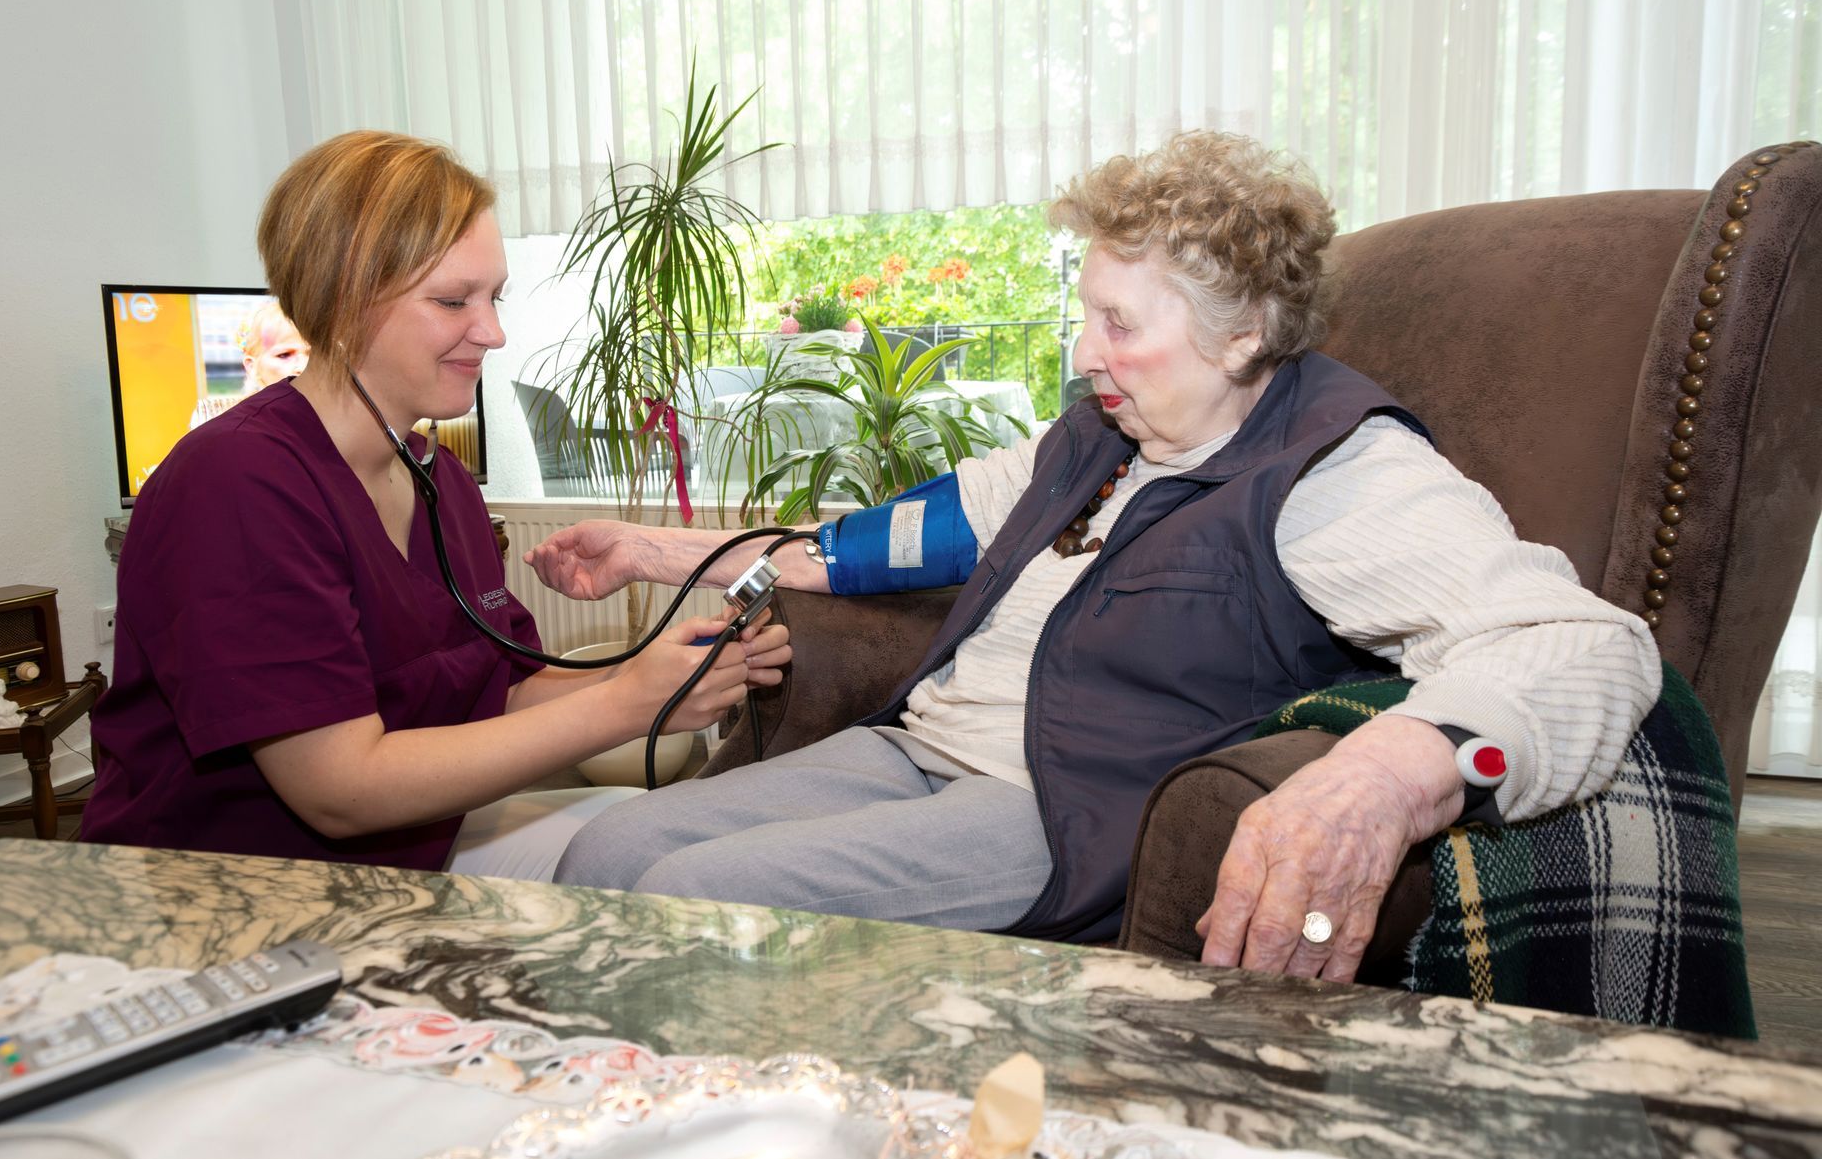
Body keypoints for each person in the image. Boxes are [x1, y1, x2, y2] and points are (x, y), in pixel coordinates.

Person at [529, 130, 1662, 981]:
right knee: (611, 852)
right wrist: (645, 549)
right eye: (1087, 314)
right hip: (919, 752)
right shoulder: (1088, 440)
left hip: (1062, 807)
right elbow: (860, 551)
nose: (1087, 354)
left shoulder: (1333, 473)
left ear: (1241, 335)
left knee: (690, 900)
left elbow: (1579, 645)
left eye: (1121, 324)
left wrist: (1385, 778)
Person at [83, 130, 791, 877]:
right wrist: (623, 707)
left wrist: (668, 674)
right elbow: (340, 790)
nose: (492, 332)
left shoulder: (438, 479)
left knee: (700, 848)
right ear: (340, 297)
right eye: (454, 300)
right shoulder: (236, 485)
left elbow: (503, 687)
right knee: (664, 882)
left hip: (415, 846)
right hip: (235, 885)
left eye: (494, 297)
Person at [190, 300, 314, 428]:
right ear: (252, 366)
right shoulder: (217, 421)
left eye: (312, 354)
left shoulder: (331, 418)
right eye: (284, 355)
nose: (302, 366)